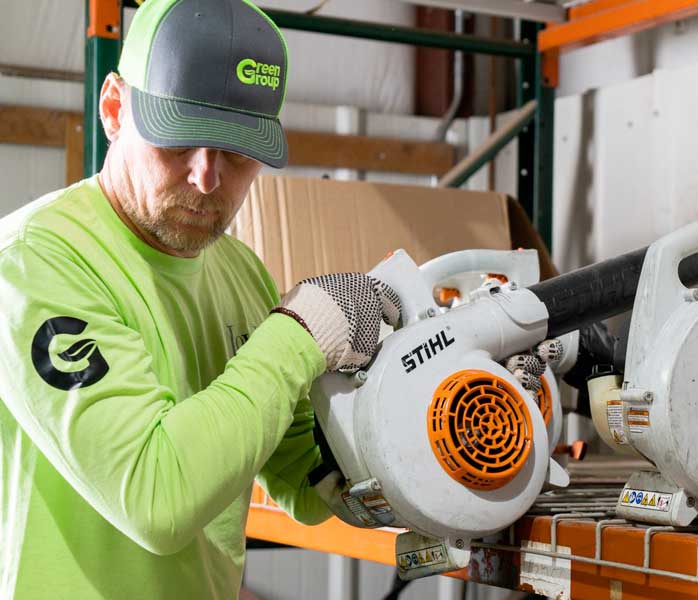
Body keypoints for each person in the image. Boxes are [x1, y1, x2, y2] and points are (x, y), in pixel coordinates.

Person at [0, 1, 400, 598]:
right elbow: (156, 500)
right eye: (179, 140)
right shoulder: (35, 261)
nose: (207, 179)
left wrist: (402, 399)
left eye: (236, 152)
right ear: (114, 109)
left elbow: (305, 480)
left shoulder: (240, 272)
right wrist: (298, 336)